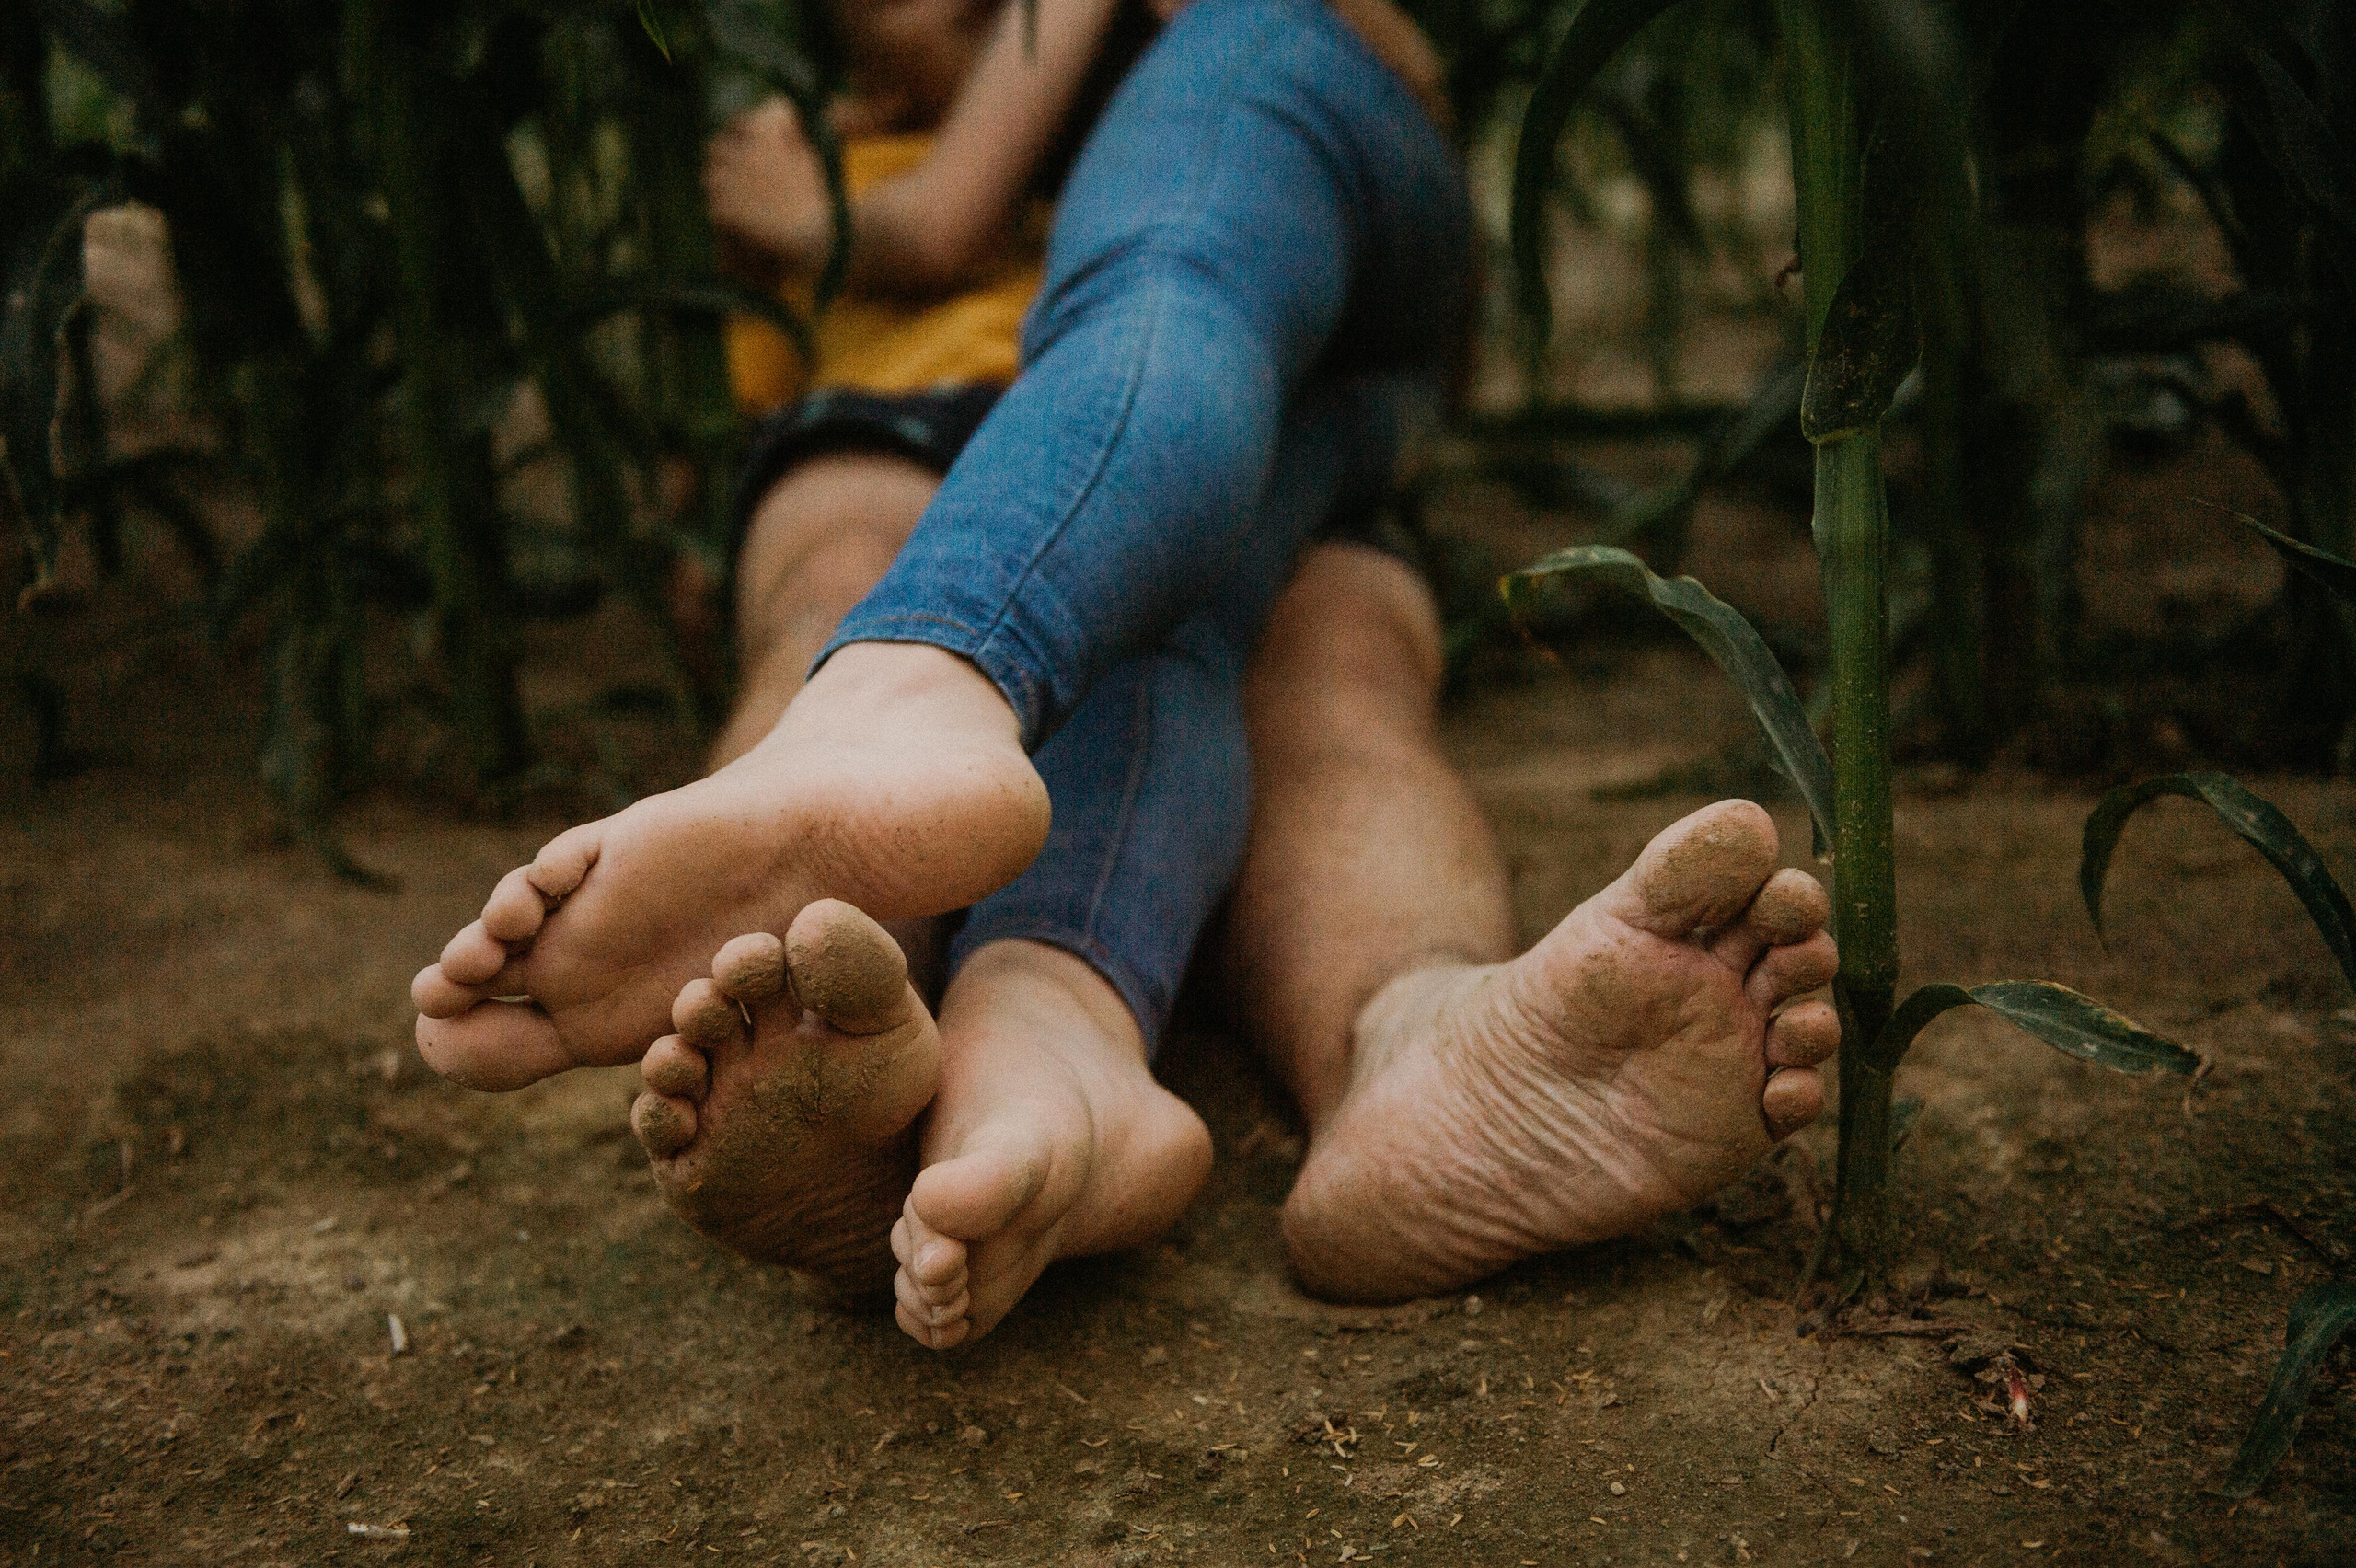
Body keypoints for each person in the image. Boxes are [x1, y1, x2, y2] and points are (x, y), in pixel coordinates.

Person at [411, 0, 1842, 1349]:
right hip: (895, 440)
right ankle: (882, 1044)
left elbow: (1388, 140)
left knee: (1331, 689)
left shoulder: (1214, 82)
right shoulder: (814, 154)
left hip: (1238, 468)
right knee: (823, 597)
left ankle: (1388, 1027)